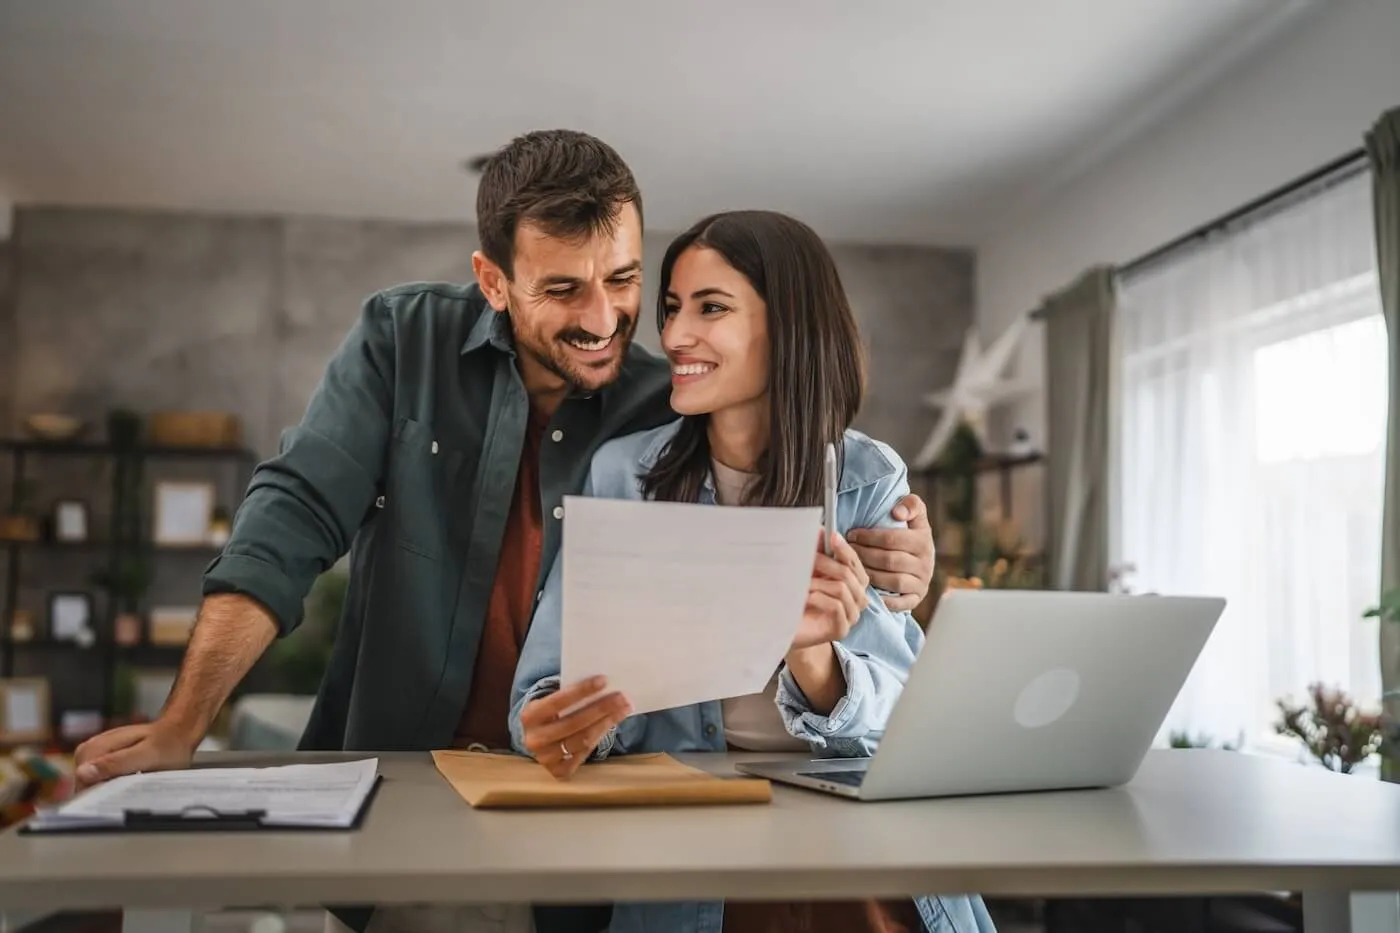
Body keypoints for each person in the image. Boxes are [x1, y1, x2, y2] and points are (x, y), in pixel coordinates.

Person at [70, 132, 938, 933]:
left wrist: (904, 563)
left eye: (628, 280)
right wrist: (185, 721)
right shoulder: (405, 341)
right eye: (562, 288)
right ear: (495, 281)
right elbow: (291, 515)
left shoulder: (670, 407)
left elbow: (848, 644)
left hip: (591, 833)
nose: (609, 320)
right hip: (405, 788)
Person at [509, 210, 996, 933]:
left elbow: (899, 720)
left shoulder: (868, 477)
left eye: (711, 308)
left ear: (789, 326)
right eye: (672, 309)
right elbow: (546, 687)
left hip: (855, 850)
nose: (674, 336)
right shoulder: (624, 474)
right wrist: (561, 723)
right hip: (695, 855)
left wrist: (811, 653)